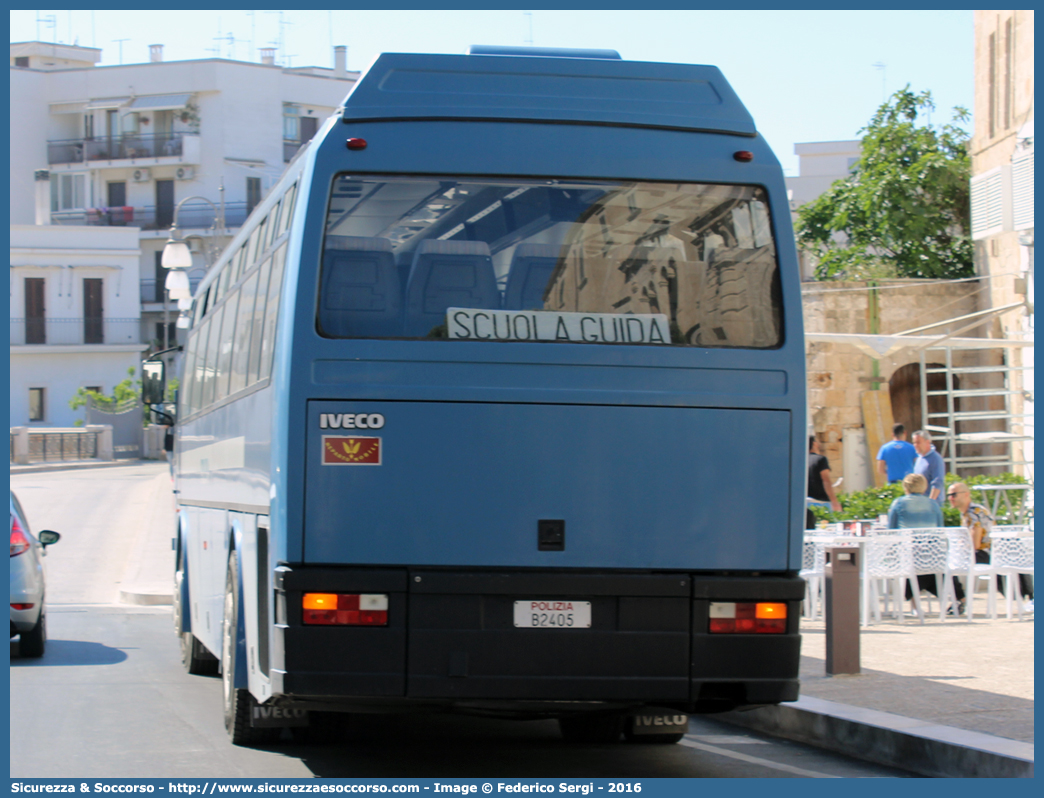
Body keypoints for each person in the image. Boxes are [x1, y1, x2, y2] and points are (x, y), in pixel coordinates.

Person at [947, 482, 1033, 611]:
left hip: (988, 554)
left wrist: (957, 546)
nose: (950, 498)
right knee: (948, 562)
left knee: (947, 563)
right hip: (993, 554)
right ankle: (960, 600)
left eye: (954, 495)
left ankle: (960, 600)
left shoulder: (973, 513)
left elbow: (974, 544)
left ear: (966, 495)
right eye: (949, 495)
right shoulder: (968, 512)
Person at [890, 474, 964, 614]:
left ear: (905, 487)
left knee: (905, 561)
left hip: (909, 559)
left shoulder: (898, 504)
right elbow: (940, 531)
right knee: (928, 566)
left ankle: (915, 606)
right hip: (932, 558)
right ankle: (957, 598)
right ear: (924, 487)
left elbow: (891, 532)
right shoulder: (933, 505)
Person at [807, 435, 841, 528]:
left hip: (805, 501)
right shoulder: (820, 459)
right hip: (820, 500)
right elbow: (826, 480)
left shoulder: (800, 460)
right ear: (814, 444)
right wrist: (834, 501)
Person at [911, 430, 945, 506]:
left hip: (933, 504)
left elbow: (937, 483)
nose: (915, 445)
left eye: (918, 442)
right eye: (914, 443)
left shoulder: (936, 459)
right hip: (920, 503)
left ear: (927, 442)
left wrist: (930, 503)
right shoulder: (919, 459)